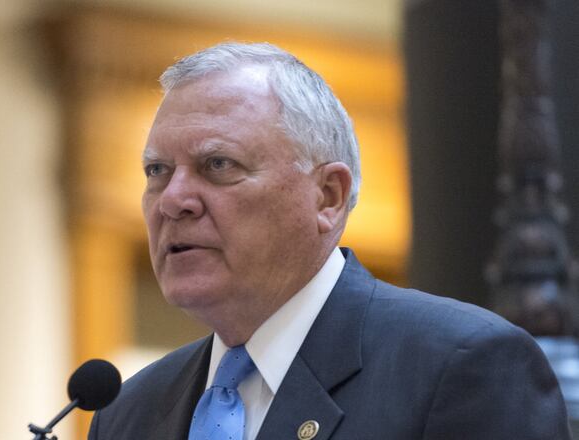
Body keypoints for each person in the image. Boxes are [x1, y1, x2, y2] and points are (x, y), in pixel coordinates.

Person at [88, 42, 570, 440]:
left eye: (218, 165)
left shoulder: (461, 368)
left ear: (328, 196)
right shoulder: (126, 412)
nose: (173, 200)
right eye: (158, 171)